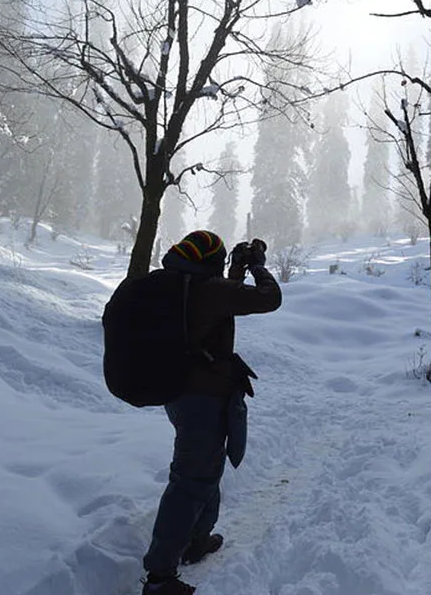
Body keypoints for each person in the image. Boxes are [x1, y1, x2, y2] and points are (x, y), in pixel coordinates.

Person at [141, 230, 282, 595]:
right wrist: (259, 268)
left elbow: (219, 299)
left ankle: (195, 541)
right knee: (189, 482)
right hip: (201, 398)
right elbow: (270, 299)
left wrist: (236, 270)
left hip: (180, 393)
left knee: (206, 468)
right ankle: (159, 578)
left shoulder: (179, 285)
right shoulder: (209, 290)